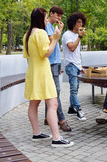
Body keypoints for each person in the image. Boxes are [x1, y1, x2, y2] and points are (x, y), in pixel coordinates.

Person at [23, 8, 73, 147]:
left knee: (34, 104)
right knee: (53, 104)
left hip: (33, 73)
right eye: (45, 18)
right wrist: (56, 39)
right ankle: (56, 138)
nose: (46, 21)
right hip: (43, 74)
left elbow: (28, 58)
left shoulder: (27, 34)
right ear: (40, 19)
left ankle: (36, 133)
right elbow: (46, 53)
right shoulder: (41, 33)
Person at [43, 6, 71, 132]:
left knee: (51, 91)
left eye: (60, 16)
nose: (59, 18)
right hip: (50, 63)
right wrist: (60, 30)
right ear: (51, 14)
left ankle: (47, 117)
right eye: (57, 15)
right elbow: (51, 41)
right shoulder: (47, 26)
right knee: (55, 92)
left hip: (55, 62)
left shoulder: (51, 26)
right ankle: (61, 120)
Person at [62, 12, 87, 121]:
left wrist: (80, 66)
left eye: (82, 22)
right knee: (73, 89)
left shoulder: (77, 36)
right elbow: (71, 48)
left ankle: (71, 109)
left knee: (75, 88)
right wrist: (80, 37)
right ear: (73, 22)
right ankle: (78, 109)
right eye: (79, 22)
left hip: (76, 65)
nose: (81, 24)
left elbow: (76, 53)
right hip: (70, 65)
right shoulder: (67, 34)